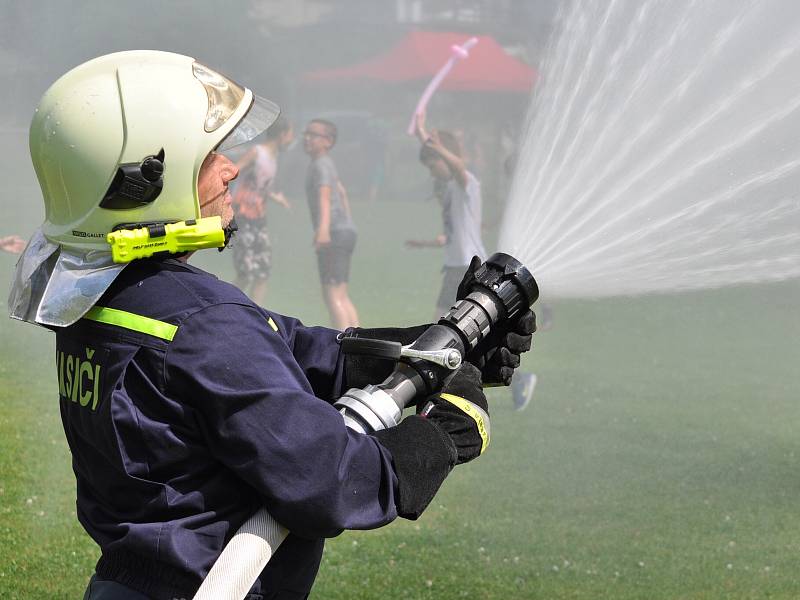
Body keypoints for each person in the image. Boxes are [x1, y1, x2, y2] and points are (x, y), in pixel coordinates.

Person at [7, 51, 536, 600]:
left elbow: (296, 348)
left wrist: (439, 343)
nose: (232, 168)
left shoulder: (103, 304)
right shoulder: (203, 322)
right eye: (211, 154)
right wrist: (444, 431)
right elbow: (328, 479)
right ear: (145, 182)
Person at [406, 111, 488, 318]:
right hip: (457, 267)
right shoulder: (452, 187)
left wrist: (438, 146)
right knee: (446, 323)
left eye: (433, 166)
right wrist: (421, 133)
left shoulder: (465, 183)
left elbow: (458, 165)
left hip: (466, 267)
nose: (431, 172)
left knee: (443, 323)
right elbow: (452, 236)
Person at [303, 118, 360, 329]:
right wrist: (348, 222)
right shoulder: (326, 164)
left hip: (334, 233)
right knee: (341, 295)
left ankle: (345, 347)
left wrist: (323, 229)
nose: (307, 138)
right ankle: (360, 341)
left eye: (313, 135)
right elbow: (342, 192)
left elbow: (325, 195)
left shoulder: (321, 164)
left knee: (332, 295)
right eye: (306, 134)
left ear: (328, 141)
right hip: (344, 231)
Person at [231, 115, 293, 305]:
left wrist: (276, 197)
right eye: (291, 134)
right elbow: (233, 171)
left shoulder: (274, 158)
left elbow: (261, 186)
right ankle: (228, 306)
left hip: (259, 220)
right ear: (282, 135)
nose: (292, 139)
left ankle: (258, 313)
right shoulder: (257, 152)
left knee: (263, 271)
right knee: (246, 273)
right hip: (243, 219)